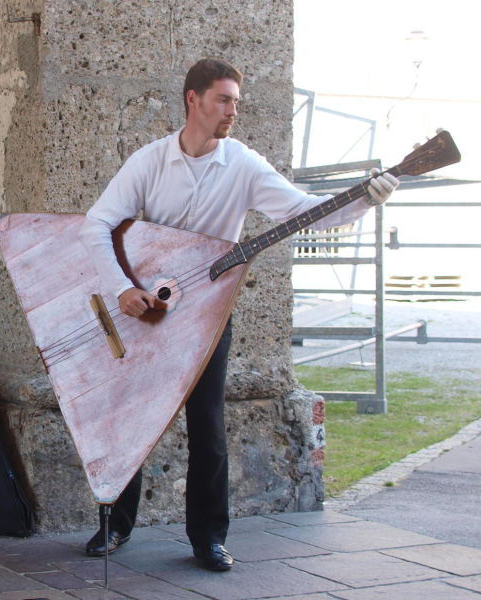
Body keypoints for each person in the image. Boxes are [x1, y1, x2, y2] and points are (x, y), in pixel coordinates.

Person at [79, 58, 399, 571]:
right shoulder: (150, 161)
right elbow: (96, 225)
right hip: (146, 311)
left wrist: (366, 199)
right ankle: (115, 526)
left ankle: (208, 538)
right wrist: (121, 289)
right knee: (131, 419)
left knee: (208, 425)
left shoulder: (244, 165)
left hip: (209, 314)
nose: (233, 110)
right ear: (194, 99)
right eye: (224, 100)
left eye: (236, 102)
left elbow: (306, 212)